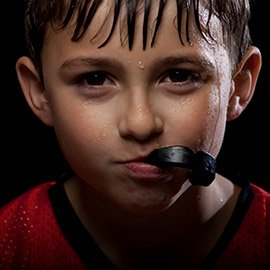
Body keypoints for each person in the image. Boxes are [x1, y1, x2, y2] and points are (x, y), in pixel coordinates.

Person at [0, 0, 269, 269]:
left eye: (178, 76)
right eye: (95, 79)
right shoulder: (9, 243)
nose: (140, 125)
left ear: (239, 85)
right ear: (40, 91)